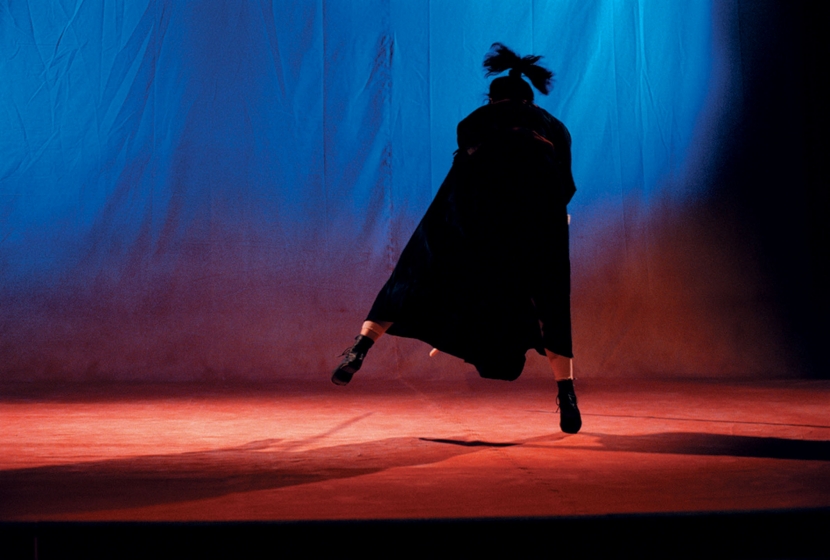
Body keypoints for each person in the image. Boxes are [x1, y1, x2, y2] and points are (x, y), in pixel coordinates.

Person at [331, 43, 581, 434]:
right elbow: (564, 186)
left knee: (414, 272)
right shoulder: (556, 127)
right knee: (549, 301)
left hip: (476, 215)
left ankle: (361, 346)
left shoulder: (474, 120)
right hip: (536, 219)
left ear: (493, 99)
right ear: (529, 101)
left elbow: (467, 164)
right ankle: (566, 393)